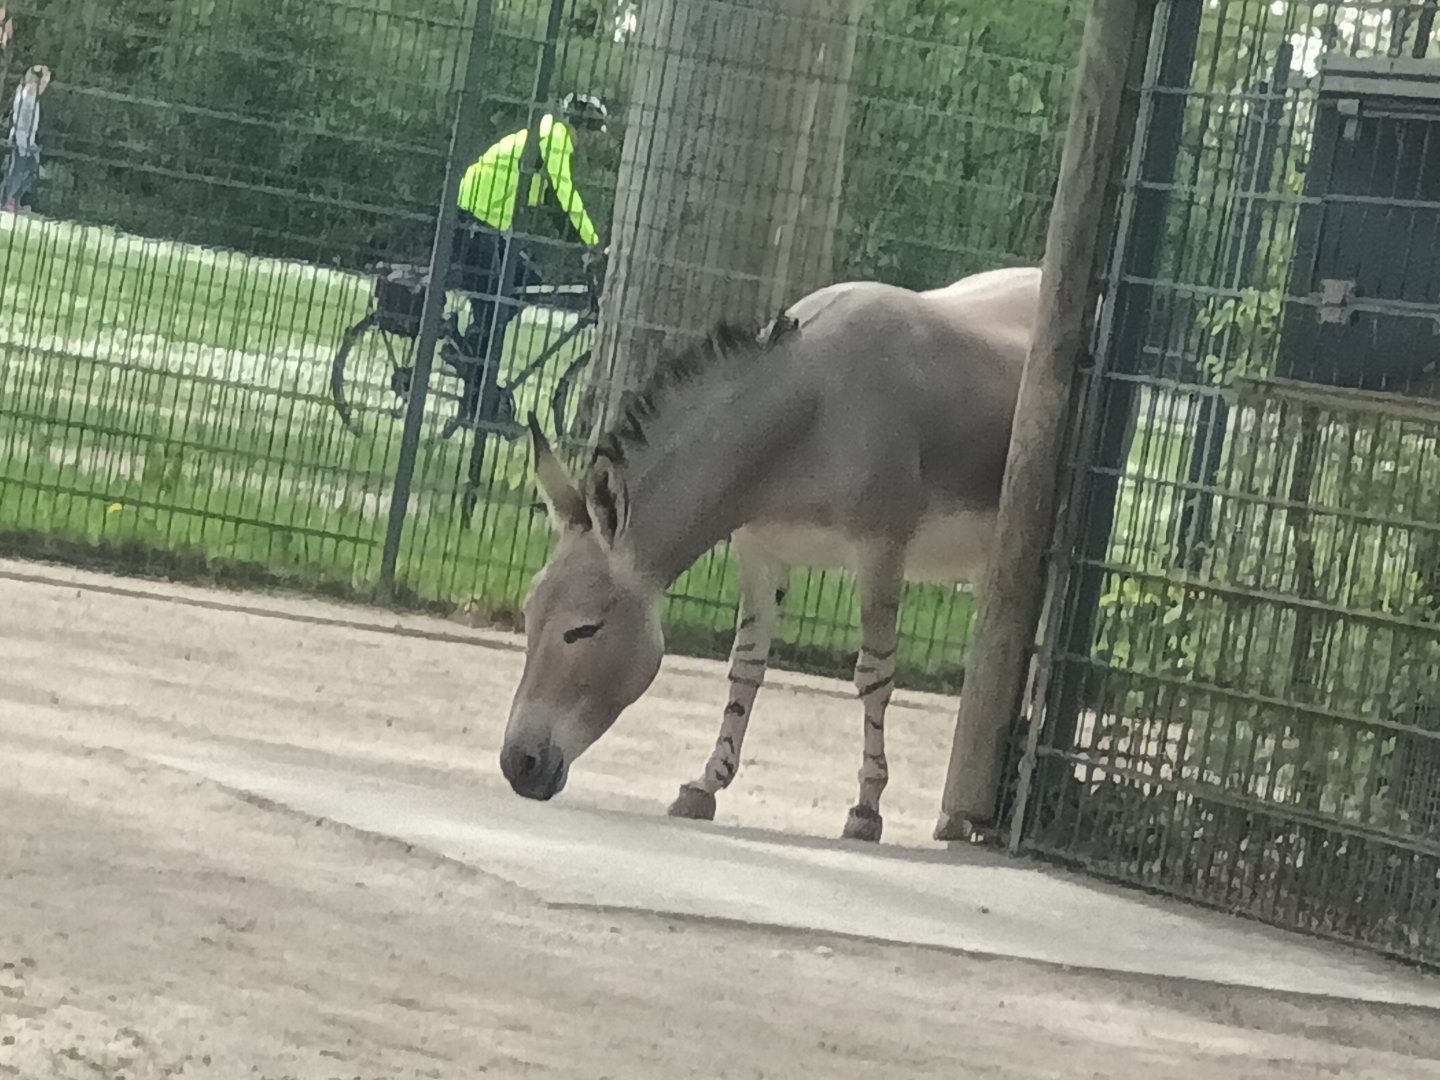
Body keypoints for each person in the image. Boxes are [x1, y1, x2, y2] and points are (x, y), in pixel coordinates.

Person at [449, 92, 609, 386]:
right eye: (594, 133)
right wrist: (592, 243)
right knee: (493, 306)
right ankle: (476, 384)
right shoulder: (556, 138)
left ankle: (472, 354)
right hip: (474, 216)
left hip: (489, 221)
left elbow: (552, 204)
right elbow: (564, 197)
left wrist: (582, 248)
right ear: (583, 128)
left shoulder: (547, 137)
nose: (594, 141)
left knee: (528, 283)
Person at [3, 63, 50, 213]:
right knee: (16, 170)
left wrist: (41, 69)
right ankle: (8, 201)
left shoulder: (29, 93)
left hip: (29, 141)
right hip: (20, 139)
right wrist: (38, 69)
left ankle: (14, 200)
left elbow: (45, 80)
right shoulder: (26, 92)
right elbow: (44, 80)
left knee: (31, 170)